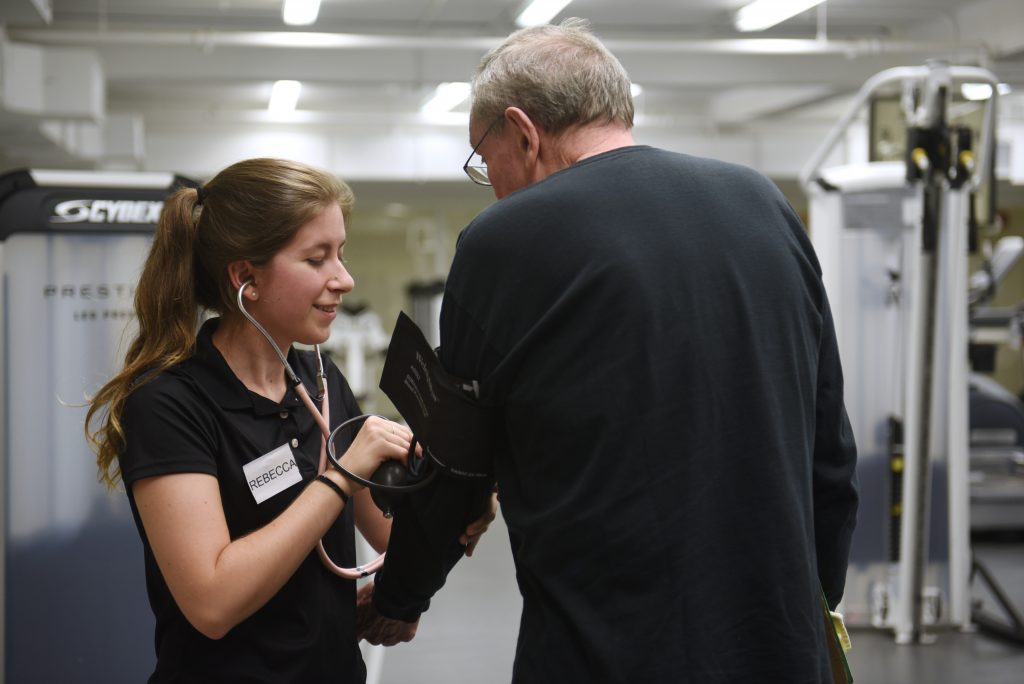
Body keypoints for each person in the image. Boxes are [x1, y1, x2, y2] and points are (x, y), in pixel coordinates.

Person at [367, 18, 859, 683]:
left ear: (522, 130)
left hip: (605, 651)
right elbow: (829, 447)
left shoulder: (503, 242)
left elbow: (457, 473)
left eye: (485, 159)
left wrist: (400, 596)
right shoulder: (764, 204)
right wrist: (807, 605)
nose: (492, 179)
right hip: (777, 649)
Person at [84, 157, 489, 682]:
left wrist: (457, 501)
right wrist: (340, 478)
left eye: (340, 254)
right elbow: (212, 601)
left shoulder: (321, 382)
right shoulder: (169, 404)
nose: (344, 279)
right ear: (245, 278)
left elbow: (391, 535)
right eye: (316, 259)